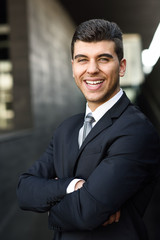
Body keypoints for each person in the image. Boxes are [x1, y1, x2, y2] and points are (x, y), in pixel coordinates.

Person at [17, 19, 160, 240]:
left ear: (121, 66)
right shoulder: (67, 128)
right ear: (73, 66)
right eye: (82, 60)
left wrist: (47, 203)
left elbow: (86, 212)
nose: (92, 70)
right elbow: (24, 191)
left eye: (103, 59)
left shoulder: (137, 130)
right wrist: (72, 186)